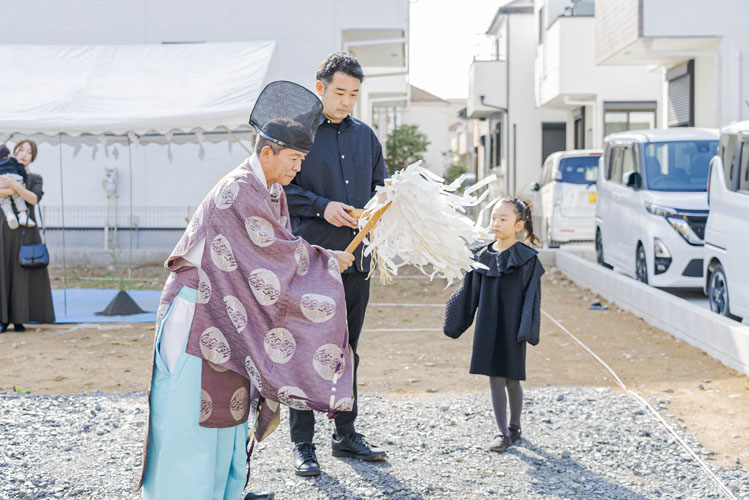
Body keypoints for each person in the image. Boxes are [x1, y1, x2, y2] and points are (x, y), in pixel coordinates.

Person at [140, 81, 356, 500]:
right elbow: (272, 257)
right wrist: (326, 261)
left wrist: (318, 258)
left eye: (301, 160)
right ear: (267, 153)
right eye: (294, 159)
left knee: (230, 412)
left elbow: (273, 255)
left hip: (227, 311)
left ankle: (224, 490)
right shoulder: (238, 189)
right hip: (198, 312)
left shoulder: (269, 191)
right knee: (192, 419)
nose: (298, 169)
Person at [283, 52, 388, 476]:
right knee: (303, 351)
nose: (347, 101)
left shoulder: (366, 137)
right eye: (340, 92)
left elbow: (381, 190)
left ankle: (345, 435)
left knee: (349, 351)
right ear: (319, 87)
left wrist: (388, 206)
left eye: (354, 94)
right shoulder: (296, 134)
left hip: (356, 263)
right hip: (309, 262)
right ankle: (302, 445)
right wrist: (321, 206)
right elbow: (276, 190)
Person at [443, 198, 545, 452]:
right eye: (494, 218)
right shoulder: (481, 256)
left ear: (519, 225)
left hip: (514, 327)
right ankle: (502, 434)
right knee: (495, 378)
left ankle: (515, 427)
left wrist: (526, 330)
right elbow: (469, 292)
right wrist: (454, 319)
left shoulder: (527, 259)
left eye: (503, 219)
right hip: (488, 325)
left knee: (512, 378)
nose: (496, 223)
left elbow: (532, 296)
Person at [0, 139, 55, 333]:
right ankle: (3, 319)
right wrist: (14, 187)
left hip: (27, 232)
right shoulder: (2, 171)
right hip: (4, 231)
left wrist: (15, 186)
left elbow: (33, 198)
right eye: (20, 150)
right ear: (13, 152)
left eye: (29, 152)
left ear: (33, 157)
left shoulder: (35, 178)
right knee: (3, 272)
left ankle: (20, 319)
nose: (24, 154)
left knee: (22, 274)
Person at [0, 146, 35, 229]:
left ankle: (9, 215)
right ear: (8, 155)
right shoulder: (12, 160)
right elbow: (21, 168)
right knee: (18, 197)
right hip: (14, 177)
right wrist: (23, 180)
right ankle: (22, 214)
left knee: (4, 200)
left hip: (1, 180)